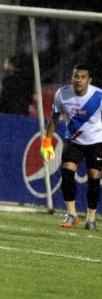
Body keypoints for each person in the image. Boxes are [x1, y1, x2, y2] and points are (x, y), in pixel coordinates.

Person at [40, 63, 102, 231]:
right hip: (73, 141)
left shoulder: (99, 96)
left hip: (96, 142)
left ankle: (91, 218)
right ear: (72, 78)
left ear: (89, 80)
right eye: (76, 76)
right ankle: (71, 213)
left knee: (94, 178)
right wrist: (47, 143)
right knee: (67, 173)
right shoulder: (62, 94)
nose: (79, 80)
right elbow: (54, 119)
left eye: (83, 77)